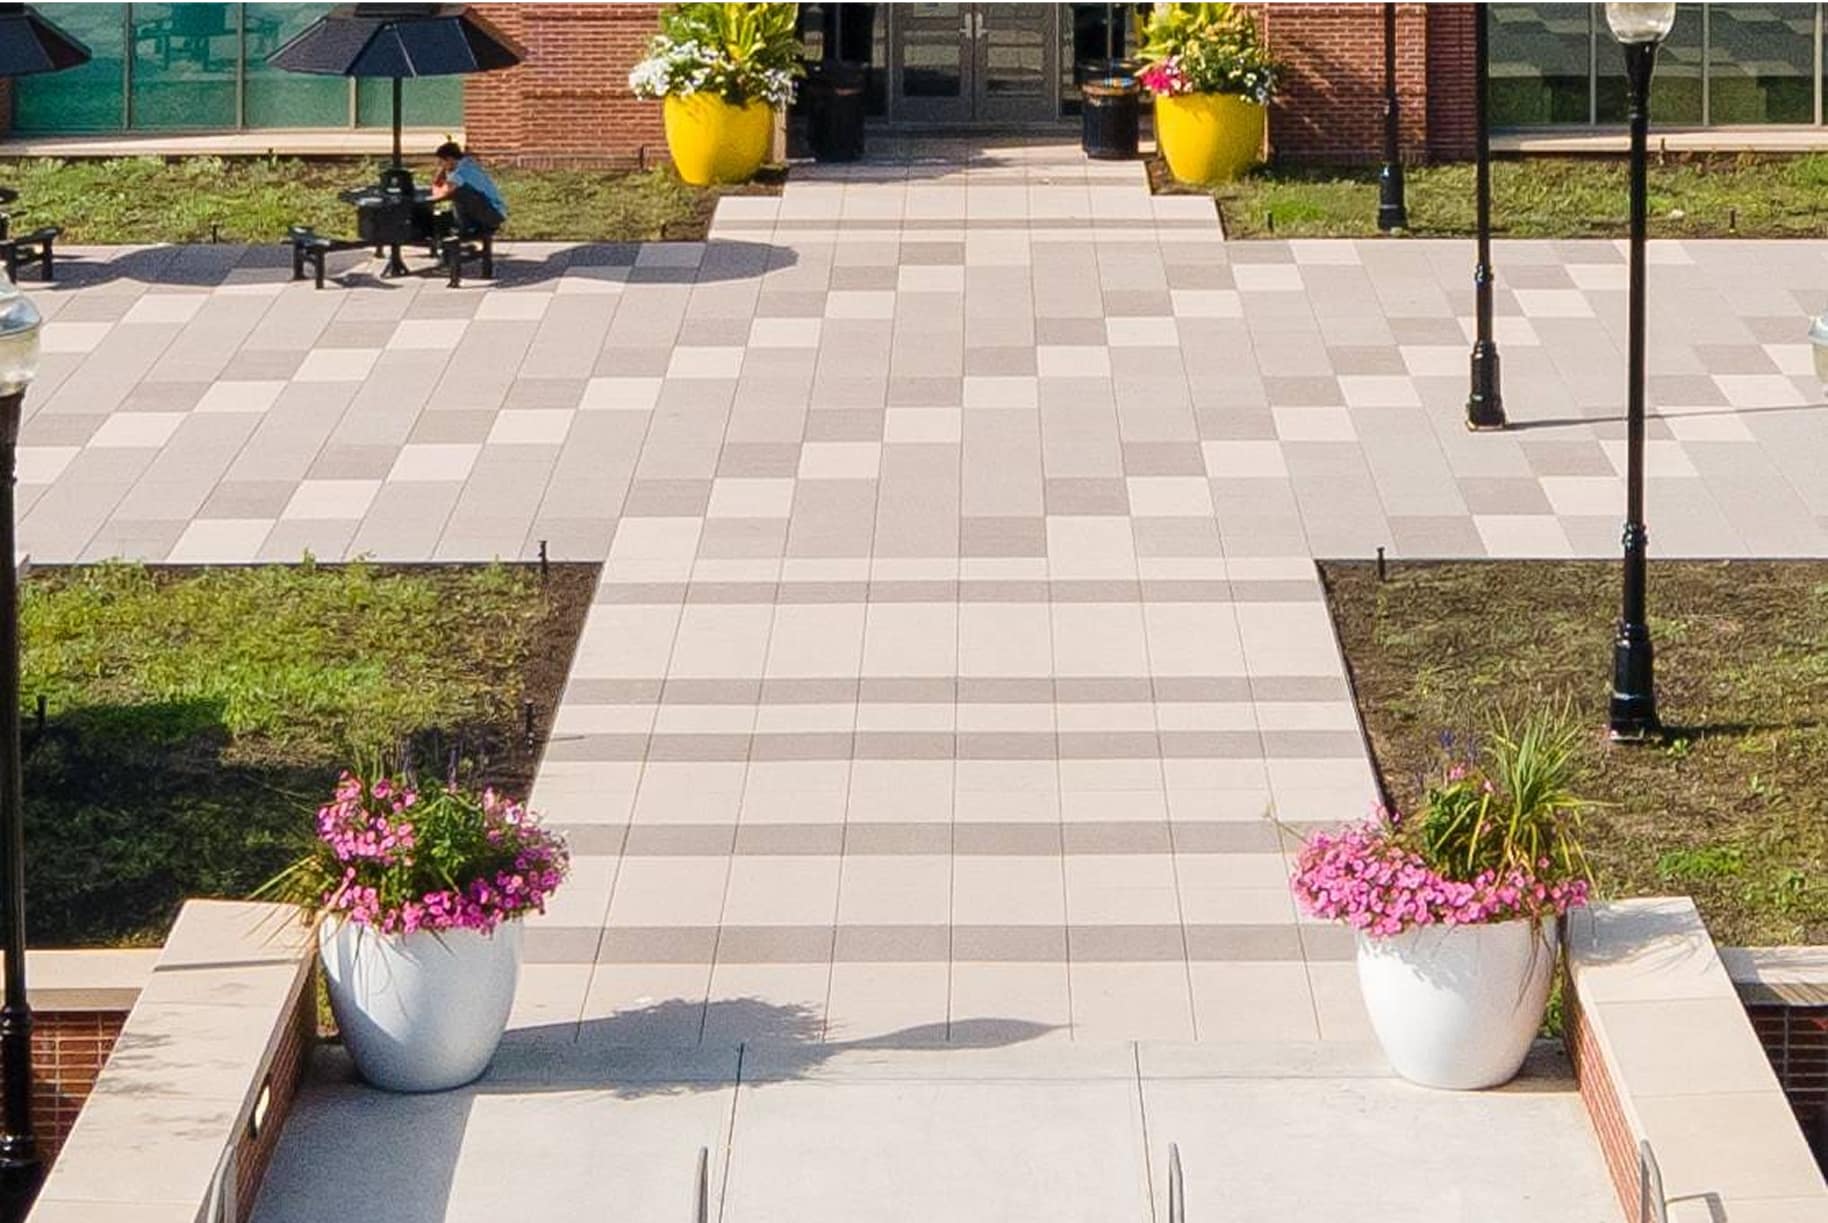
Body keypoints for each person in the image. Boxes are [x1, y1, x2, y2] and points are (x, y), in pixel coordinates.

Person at [430, 141, 507, 236]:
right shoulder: (468, 163)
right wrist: (443, 170)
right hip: (495, 212)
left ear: (449, 159)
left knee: (459, 193)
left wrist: (427, 200)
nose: (440, 165)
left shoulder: (460, 172)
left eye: (441, 162)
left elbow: (444, 193)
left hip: (492, 214)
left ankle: (465, 229)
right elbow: (438, 183)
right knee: (456, 199)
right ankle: (465, 227)